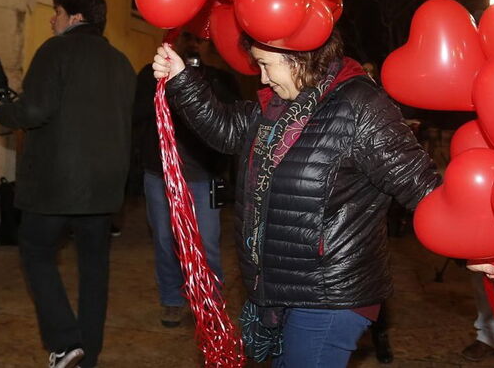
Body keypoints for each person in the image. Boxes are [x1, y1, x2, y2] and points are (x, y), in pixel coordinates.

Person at [152, 30, 440, 367]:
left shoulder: (361, 107)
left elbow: (422, 187)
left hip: (329, 294)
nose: (262, 77)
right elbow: (228, 129)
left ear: (299, 58)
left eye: (266, 65)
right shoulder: (276, 107)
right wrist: (181, 79)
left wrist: (478, 250)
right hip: (281, 287)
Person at [0, 0, 135, 368]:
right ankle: (88, 354)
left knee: (35, 254)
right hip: (103, 187)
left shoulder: (55, 51)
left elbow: (34, 111)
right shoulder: (120, 62)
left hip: (56, 184)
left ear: (76, 18)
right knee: (95, 270)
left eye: (57, 11)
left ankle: (65, 341)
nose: (53, 18)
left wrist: (1, 111)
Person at [133, 30, 240, 328]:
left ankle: (210, 303)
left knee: (207, 244)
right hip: (161, 175)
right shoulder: (150, 75)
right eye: (186, 37)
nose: (193, 44)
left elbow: (232, 125)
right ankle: (172, 299)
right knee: (166, 241)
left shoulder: (220, 80)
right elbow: (139, 116)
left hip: (204, 177)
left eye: (200, 38)